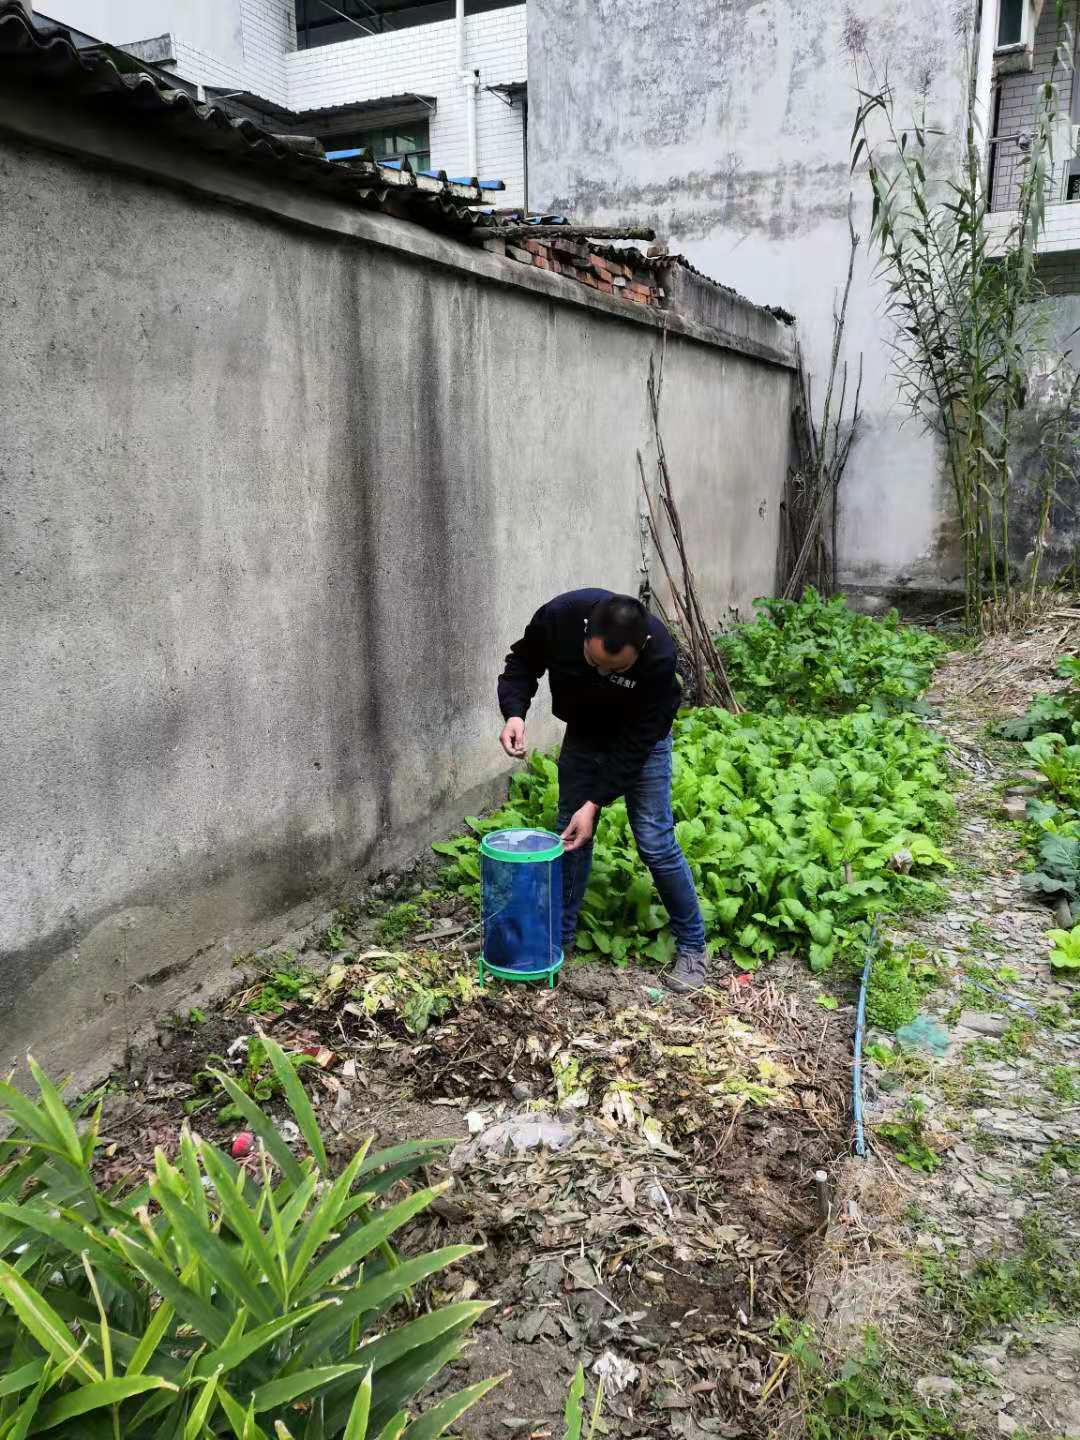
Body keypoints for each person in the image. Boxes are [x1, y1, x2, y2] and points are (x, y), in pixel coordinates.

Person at [497, 588, 709, 992]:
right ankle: (559, 938)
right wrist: (514, 713)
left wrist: (595, 802)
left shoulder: (660, 655)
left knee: (654, 840)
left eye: (611, 668)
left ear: (640, 649)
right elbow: (522, 663)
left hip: (638, 742)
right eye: (591, 661)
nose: (597, 672)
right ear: (585, 631)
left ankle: (694, 947)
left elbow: (638, 743)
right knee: (569, 834)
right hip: (584, 732)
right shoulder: (560, 616)